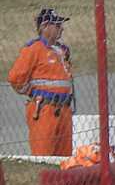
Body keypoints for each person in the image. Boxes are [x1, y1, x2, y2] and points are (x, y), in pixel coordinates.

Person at [9, 8, 75, 158]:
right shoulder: (34, 49)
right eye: (57, 26)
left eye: (61, 25)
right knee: (44, 157)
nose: (61, 29)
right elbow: (15, 77)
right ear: (45, 27)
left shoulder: (62, 50)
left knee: (64, 158)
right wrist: (32, 92)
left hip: (64, 109)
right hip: (44, 109)